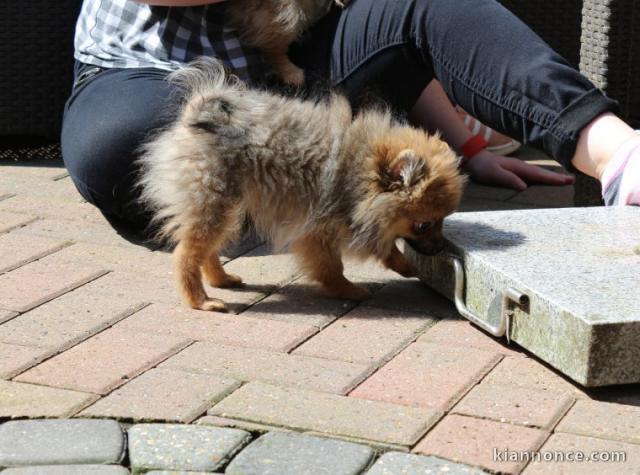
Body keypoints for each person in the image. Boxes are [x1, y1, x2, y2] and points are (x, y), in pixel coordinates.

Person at [61, 0, 640, 239]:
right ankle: (288, 212)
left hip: (288, 76)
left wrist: (460, 149)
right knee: (125, 145)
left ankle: (619, 158)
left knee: (431, 6)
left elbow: (394, 41)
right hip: (147, 73)